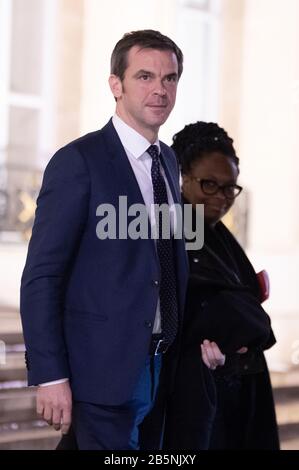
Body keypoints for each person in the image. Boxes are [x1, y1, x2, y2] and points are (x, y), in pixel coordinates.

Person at [20, 30, 189, 450]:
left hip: (159, 363)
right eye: (145, 76)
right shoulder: (79, 162)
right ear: (116, 84)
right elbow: (42, 276)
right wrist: (50, 374)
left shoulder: (167, 160)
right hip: (101, 372)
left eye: (169, 79)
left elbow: (163, 259)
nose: (159, 90)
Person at [161, 121, 280, 449]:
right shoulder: (173, 229)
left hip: (236, 387)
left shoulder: (216, 234)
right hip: (195, 394)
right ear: (182, 177)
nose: (222, 198)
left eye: (230, 188)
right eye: (209, 185)